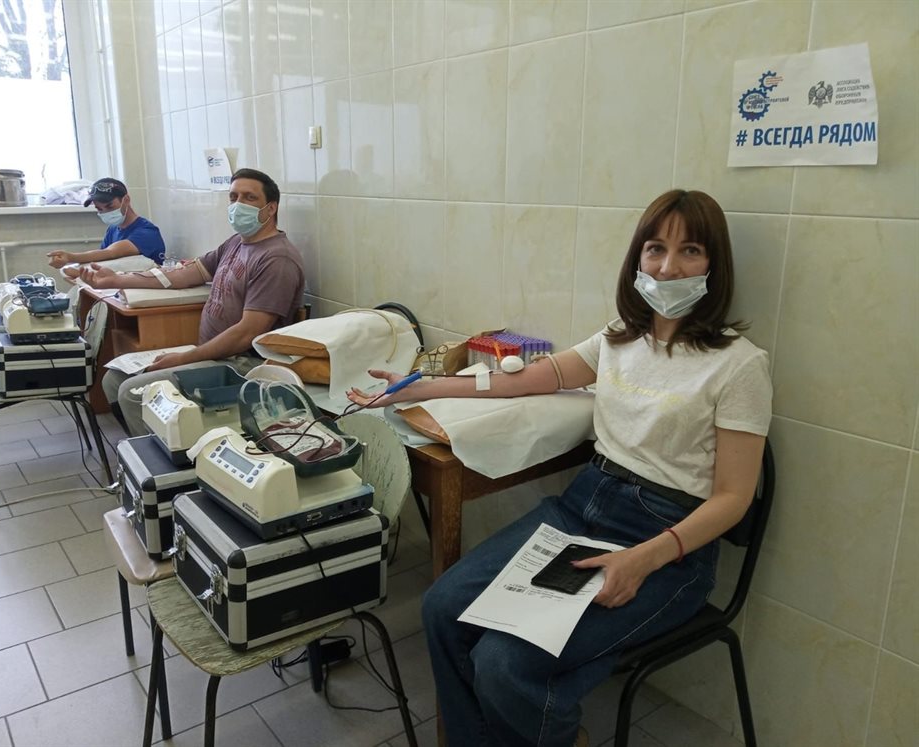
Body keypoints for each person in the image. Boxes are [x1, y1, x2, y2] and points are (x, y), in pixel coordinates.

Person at [348, 189, 772, 747]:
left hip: (668, 544)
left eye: (690, 251)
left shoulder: (739, 366)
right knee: (443, 608)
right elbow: (526, 379)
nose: (668, 268)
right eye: (655, 249)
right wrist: (417, 387)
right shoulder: (620, 337)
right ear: (637, 258)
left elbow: (733, 498)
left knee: (504, 664)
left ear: (714, 265)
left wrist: (642, 559)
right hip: (584, 506)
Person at [80, 168, 305, 436]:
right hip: (213, 354)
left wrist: (183, 358)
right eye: (233, 197)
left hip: (240, 365)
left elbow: (246, 334)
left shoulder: (277, 259)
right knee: (114, 379)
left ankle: (165, 460)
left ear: (271, 208)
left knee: (132, 392)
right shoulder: (236, 243)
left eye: (249, 197)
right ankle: (151, 445)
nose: (238, 204)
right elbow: (184, 274)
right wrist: (116, 279)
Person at [46, 178, 166, 274]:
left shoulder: (147, 232)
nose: (105, 212)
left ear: (126, 200)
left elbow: (110, 253)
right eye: (99, 209)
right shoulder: (113, 229)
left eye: (110, 206)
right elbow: (102, 258)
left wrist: (70, 257)